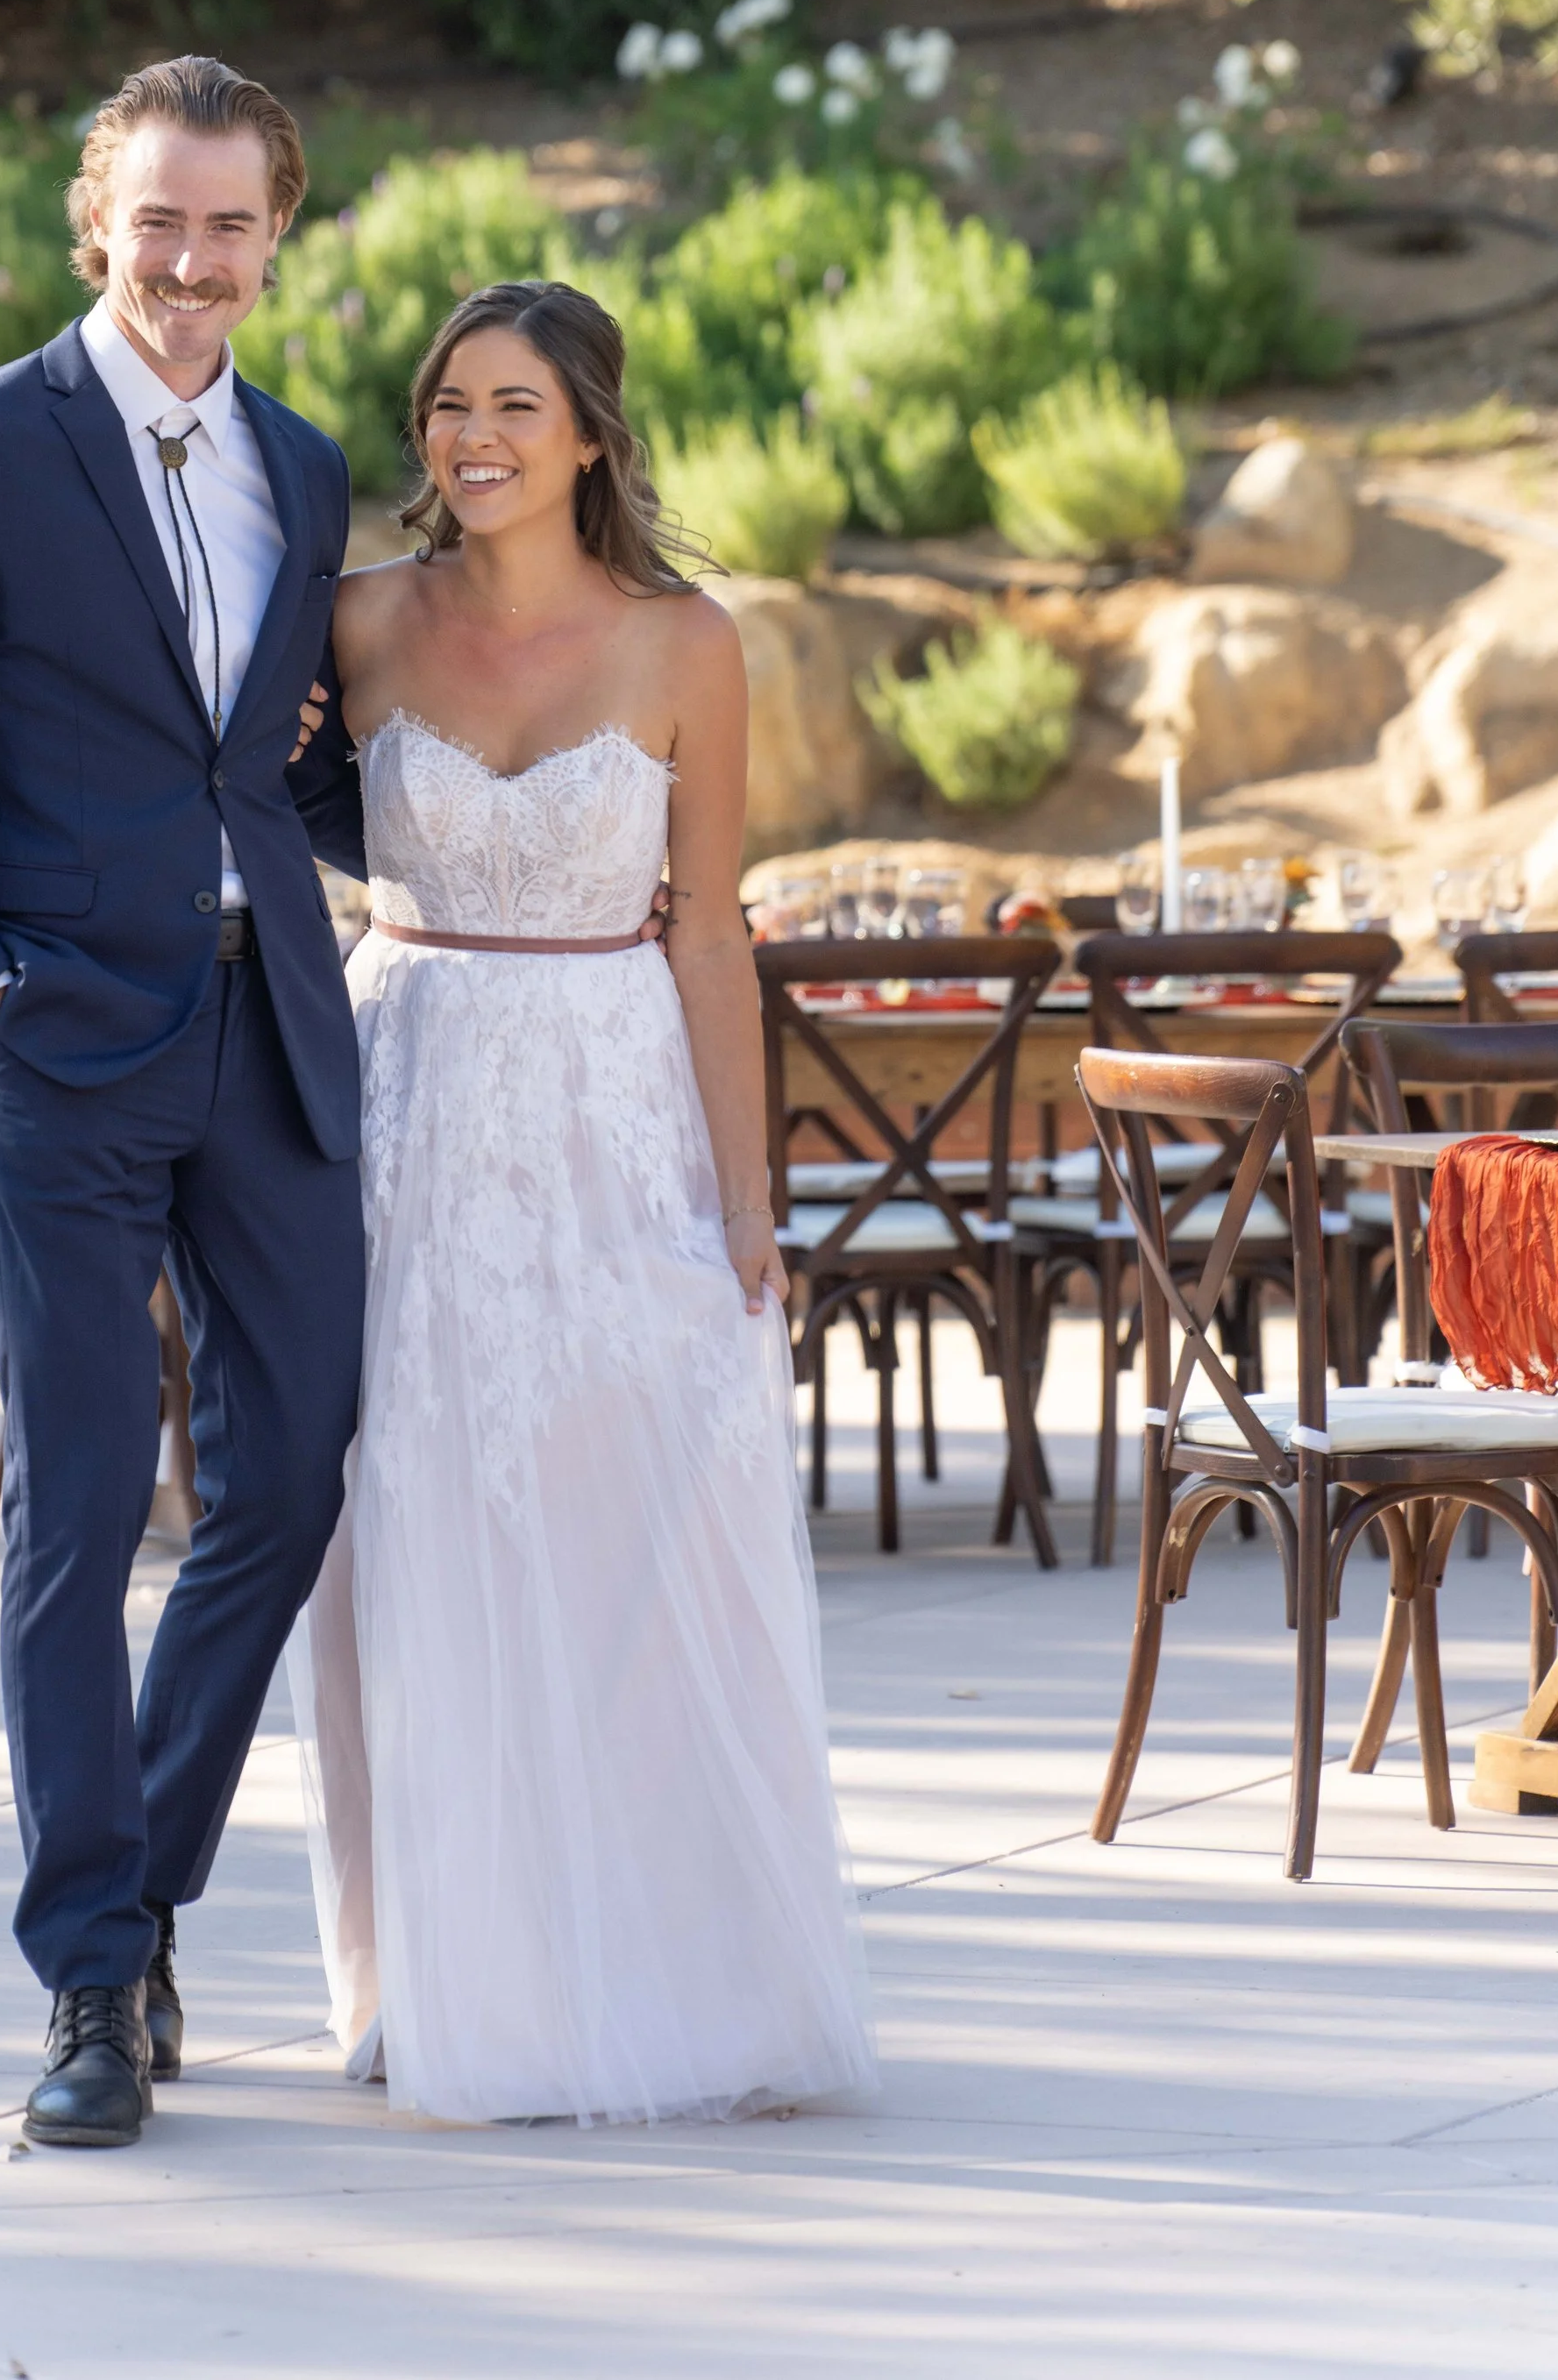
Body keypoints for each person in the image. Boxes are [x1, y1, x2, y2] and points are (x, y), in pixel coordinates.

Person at [0, 55, 367, 2149]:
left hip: (273, 1040)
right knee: (70, 1515)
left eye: (231, 224)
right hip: (60, 1043)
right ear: (96, 223)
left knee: (293, 1478)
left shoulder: (300, 473)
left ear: (275, 237)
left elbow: (278, 775)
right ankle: (84, 1984)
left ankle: (140, 1899)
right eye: (160, 220)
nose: (193, 261)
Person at [294, 279, 876, 2124]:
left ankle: (654, 1966)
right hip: (405, 1098)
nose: (471, 436)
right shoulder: (359, 622)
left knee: (630, 1529)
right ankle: (442, 1979)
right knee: (410, 1530)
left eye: (514, 407)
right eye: (449, 403)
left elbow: (710, 933)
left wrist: (741, 1197)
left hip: (611, 1107)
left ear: (591, 436)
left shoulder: (686, 643)